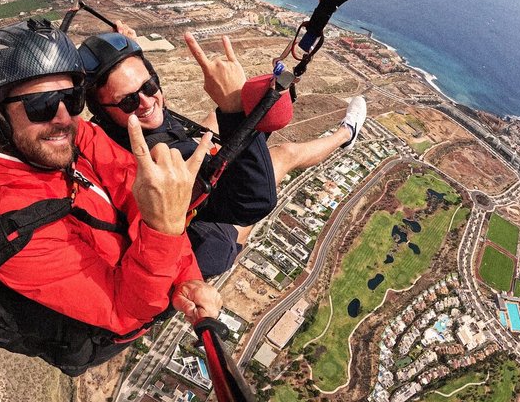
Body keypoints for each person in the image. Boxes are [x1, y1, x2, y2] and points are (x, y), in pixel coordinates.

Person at [0, 18, 222, 375]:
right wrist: (164, 228)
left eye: (71, 98)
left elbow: (136, 192)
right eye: (41, 104)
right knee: (230, 234)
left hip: (151, 272)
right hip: (116, 320)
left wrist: (187, 279)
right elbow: (124, 312)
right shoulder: (7, 225)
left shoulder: (74, 135)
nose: (64, 118)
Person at [79, 30, 367, 272]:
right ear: (103, 112)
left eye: (149, 85)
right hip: (211, 239)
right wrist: (234, 108)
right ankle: (346, 133)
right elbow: (254, 202)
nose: (146, 101)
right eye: (129, 101)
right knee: (283, 154)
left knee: (209, 126)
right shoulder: (158, 156)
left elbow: (132, 89)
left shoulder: (115, 125)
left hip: (194, 203)